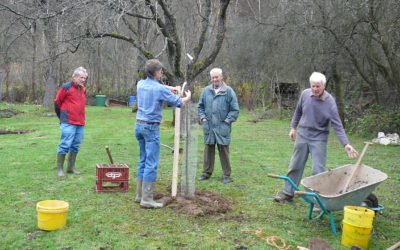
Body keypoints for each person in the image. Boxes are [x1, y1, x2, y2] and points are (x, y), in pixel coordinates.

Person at [274, 72, 358, 203]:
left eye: (318, 86)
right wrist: (293, 128)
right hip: (302, 135)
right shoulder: (305, 94)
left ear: (324, 85)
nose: (315, 89)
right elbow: (298, 112)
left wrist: (346, 144)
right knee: (295, 165)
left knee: (318, 170)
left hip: (319, 139)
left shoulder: (329, 102)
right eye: (313, 86)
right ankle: (287, 194)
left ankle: (318, 200)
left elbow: (337, 125)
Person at [135, 59, 191, 208]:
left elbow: (156, 86)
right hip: (151, 128)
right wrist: (188, 97)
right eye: (160, 71)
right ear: (157, 73)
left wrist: (170, 87)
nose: (162, 73)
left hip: (139, 126)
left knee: (143, 159)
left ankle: (139, 195)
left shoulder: (140, 84)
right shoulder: (159, 89)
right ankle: (147, 200)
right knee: (151, 163)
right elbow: (179, 102)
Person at [197, 68, 239, 184]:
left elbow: (235, 110)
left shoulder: (229, 91)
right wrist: (203, 118)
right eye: (213, 77)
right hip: (209, 126)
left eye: (217, 77)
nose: (215, 79)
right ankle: (206, 173)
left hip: (222, 127)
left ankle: (226, 175)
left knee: (224, 151)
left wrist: (227, 121)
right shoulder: (206, 91)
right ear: (211, 78)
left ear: (221, 77)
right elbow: (200, 107)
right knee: (208, 151)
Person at [54, 67, 88, 177]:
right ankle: (60, 169)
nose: (83, 80)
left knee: (76, 145)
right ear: (74, 77)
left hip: (80, 122)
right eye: (81, 77)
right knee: (65, 145)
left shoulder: (83, 89)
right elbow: (57, 103)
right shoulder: (65, 87)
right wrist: (62, 118)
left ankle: (70, 168)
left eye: (85, 78)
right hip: (68, 121)